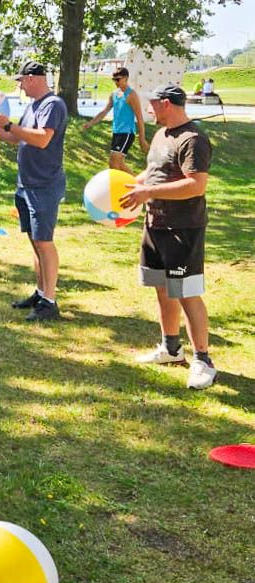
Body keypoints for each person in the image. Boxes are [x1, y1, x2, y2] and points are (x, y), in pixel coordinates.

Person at [120, 84, 216, 389]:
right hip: (155, 224)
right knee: (161, 287)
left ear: (166, 103)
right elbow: (154, 172)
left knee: (186, 292)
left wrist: (147, 192)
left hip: (182, 229)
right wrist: (121, 185)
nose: (148, 109)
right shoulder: (162, 135)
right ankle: (171, 348)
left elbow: (195, 185)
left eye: (152, 104)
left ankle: (203, 360)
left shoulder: (194, 139)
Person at [0, 61, 68, 321]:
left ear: (33, 78)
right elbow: (16, 138)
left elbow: (43, 138)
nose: (20, 86)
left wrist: (9, 125)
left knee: (44, 242)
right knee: (35, 242)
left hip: (44, 185)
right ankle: (41, 292)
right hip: (26, 184)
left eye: (21, 80)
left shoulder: (52, 105)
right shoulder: (34, 106)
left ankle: (50, 302)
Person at [81, 67, 147, 171]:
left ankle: (135, 185)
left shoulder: (132, 95)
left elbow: (139, 117)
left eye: (118, 79)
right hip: (117, 132)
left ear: (126, 78)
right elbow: (104, 112)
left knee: (114, 162)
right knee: (117, 164)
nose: (115, 82)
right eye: (114, 79)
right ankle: (136, 184)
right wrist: (90, 123)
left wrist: (142, 138)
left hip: (127, 132)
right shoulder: (114, 94)